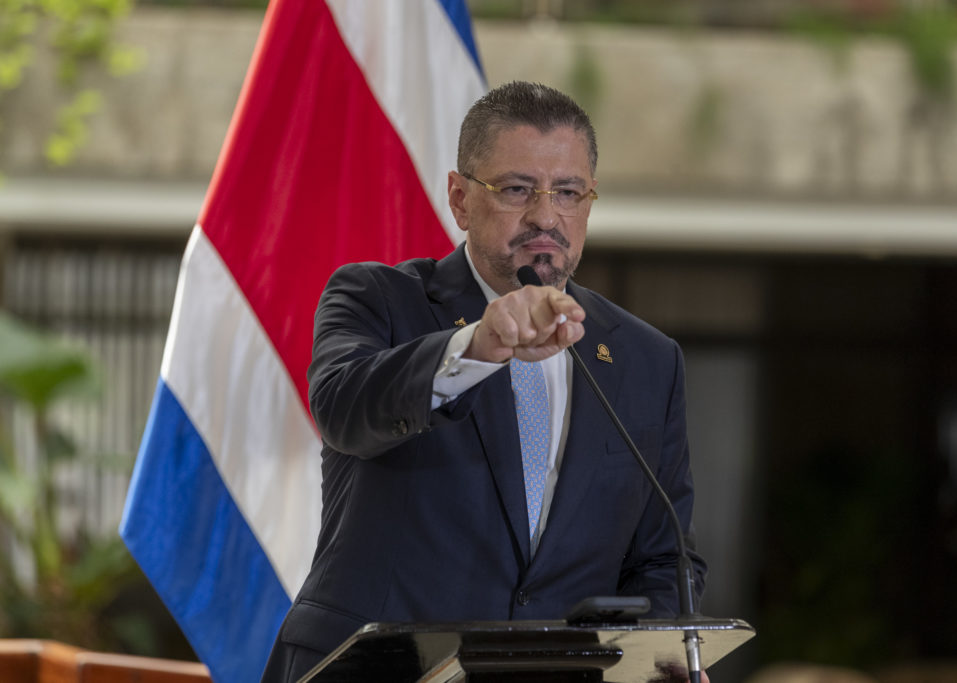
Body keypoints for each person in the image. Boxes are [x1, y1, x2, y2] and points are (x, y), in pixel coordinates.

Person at [260, 81, 707, 682]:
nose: (545, 216)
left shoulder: (646, 359)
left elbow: (665, 557)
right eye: (517, 189)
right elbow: (344, 410)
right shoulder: (376, 298)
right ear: (460, 198)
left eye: (568, 192)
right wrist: (476, 346)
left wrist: (657, 660)